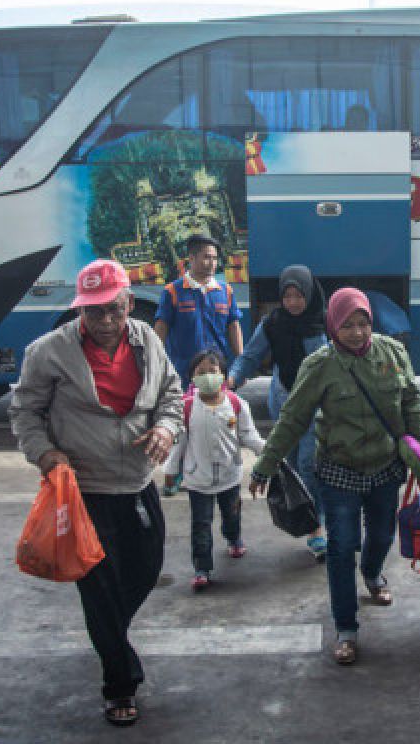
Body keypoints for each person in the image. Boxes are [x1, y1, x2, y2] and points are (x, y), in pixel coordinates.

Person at [8, 259, 182, 727]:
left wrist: (166, 428)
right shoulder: (49, 352)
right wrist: (46, 455)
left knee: (146, 570)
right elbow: (24, 412)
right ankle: (119, 684)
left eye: (114, 309)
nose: (105, 322)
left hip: (139, 484)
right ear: (79, 311)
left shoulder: (147, 340)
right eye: (94, 313)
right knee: (100, 588)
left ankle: (109, 636)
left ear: (128, 302)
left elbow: (170, 393)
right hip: (84, 491)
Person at [248, 288, 420, 666]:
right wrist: (266, 464)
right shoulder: (320, 365)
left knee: (382, 535)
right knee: (341, 546)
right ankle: (346, 627)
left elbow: (411, 401)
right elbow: (293, 417)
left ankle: (373, 573)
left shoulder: (392, 352)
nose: (357, 333)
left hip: (386, 468)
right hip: (337, 470)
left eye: (363, 323)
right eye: (347, 325)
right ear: (333, 325)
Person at [227, 264, 330, 561]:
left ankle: (316, 527)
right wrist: (231, 380)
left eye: (299, 296)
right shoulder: (272, 323)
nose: (293, 303)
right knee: (294, 465)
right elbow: (250, 356)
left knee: (311, 463)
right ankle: (303, 515)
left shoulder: (325, 322)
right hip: (284, 402)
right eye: (288, 296)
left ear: (310, 295)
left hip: (316, 405)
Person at [165, 348, 265, 590]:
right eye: (201, 373)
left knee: (231, 514)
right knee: (201, 524)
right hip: (198, 479)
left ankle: (233, 538)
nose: (208, 376)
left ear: (223, 375)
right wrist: (170, 471)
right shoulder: (186, 408)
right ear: (192, 377)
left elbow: (248, 436)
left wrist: (269, 453)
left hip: (230, 477)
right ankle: (202, 568)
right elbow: (179, 445)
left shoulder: (236, 404)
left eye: (213, 371)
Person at [154, 234, 243, 387]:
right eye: (207, 257)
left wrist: (241, 366)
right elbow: (160, 331)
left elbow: (233, 327)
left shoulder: (225, 291)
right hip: (182, 374)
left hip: (217, 372)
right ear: (192, 258)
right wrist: (155, 366)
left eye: (215, 258)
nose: (212, 263)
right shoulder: (172, 291)